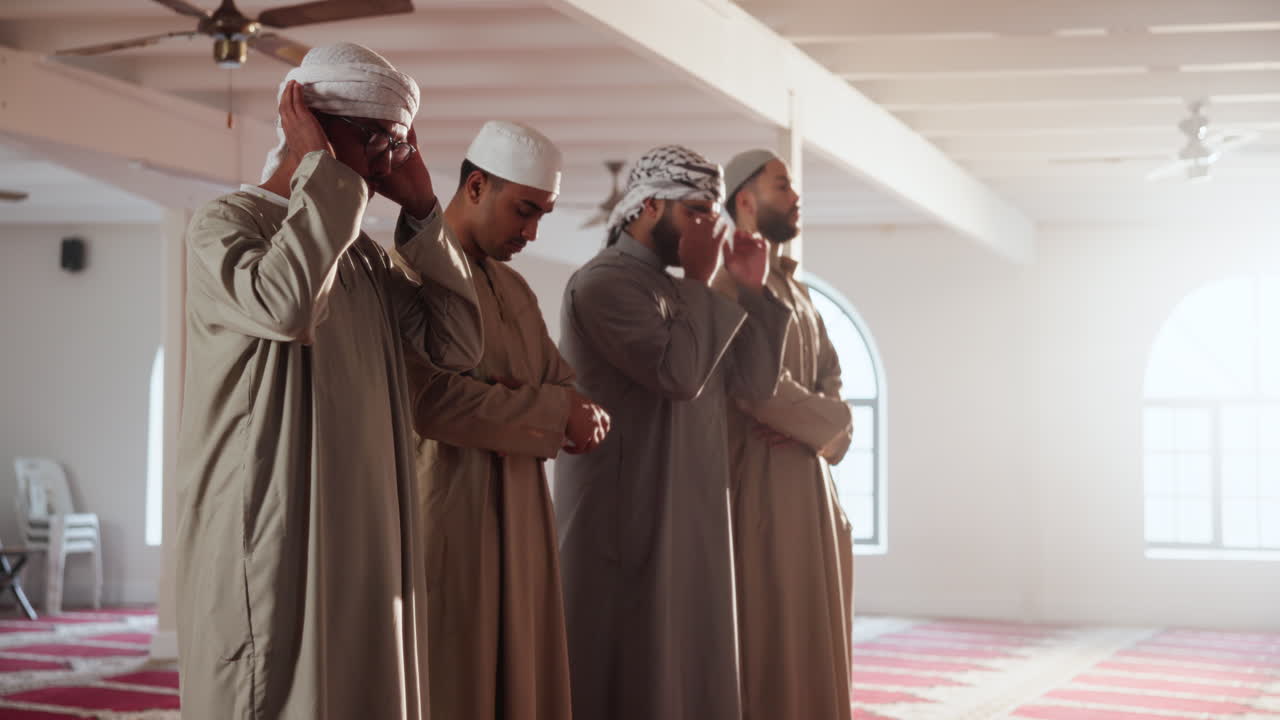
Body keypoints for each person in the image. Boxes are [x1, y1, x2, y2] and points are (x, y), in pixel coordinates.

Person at [174, 43, 483, 720]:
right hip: (275, 526)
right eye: (373, 138)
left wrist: (425, 208)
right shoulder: (226, 225)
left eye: (398, 144)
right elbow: (284, 304)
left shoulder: (364, 259)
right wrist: (325, 172)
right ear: (307, 124)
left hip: (361, 529)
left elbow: (457, 344)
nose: (385, 161)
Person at [553, 145, 792, 720]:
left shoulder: (681, 286)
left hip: (688, 506)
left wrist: (751, 290)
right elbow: (678, 375)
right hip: (627, 513)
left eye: (713, 215)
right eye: (697, 214)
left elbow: (756, 385)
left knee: (687, 666)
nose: (710, 229)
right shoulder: (603, 284)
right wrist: (700, 278)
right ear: (649, 206)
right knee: (628, 668)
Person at [406, 120, 609, 720]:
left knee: (523, 682)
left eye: (542, 214)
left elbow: (559, 380)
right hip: (450, 512)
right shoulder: (409, 273)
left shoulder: (514, 287)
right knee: (453, 682)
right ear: (475, 186)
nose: (531, 230)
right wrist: (548, 410)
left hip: (522, 516)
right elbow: (434, 403)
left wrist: (543, 404)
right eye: (524, 210)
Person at [717, 149, 856, 720]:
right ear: (745, 201)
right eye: (783, 186)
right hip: (763, 497)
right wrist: (823, 422)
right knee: (772, 647)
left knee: (817, 642)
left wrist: (822, 423)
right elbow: (756, 390)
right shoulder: (728, 286)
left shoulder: (799, 293)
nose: (796, 198)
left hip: (814, 498)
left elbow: (834, 382)